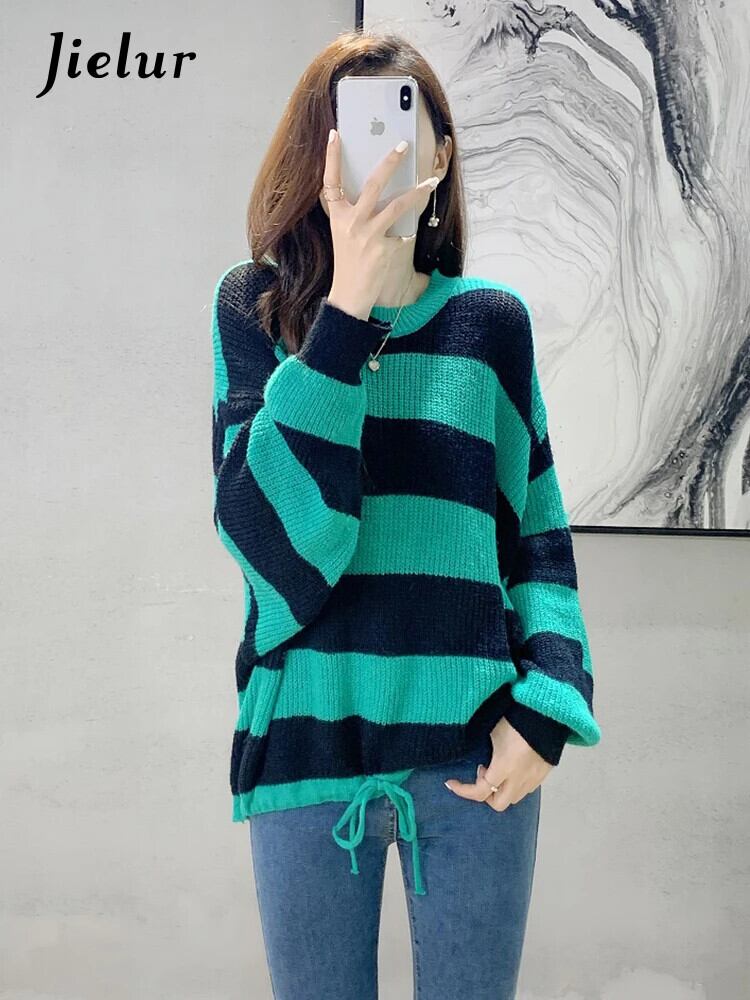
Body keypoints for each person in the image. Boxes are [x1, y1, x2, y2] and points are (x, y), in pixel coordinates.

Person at [210, 30, 601, 1000]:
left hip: (474, 757)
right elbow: (273, 549)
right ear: (317, 152)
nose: (380, 152)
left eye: (402, 122)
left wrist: (546, 711)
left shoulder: (490, 325)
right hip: (307, 750)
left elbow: (538, 540)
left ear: (442, 153)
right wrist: (345, 315)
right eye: (351, 128)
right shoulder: (254, 310)